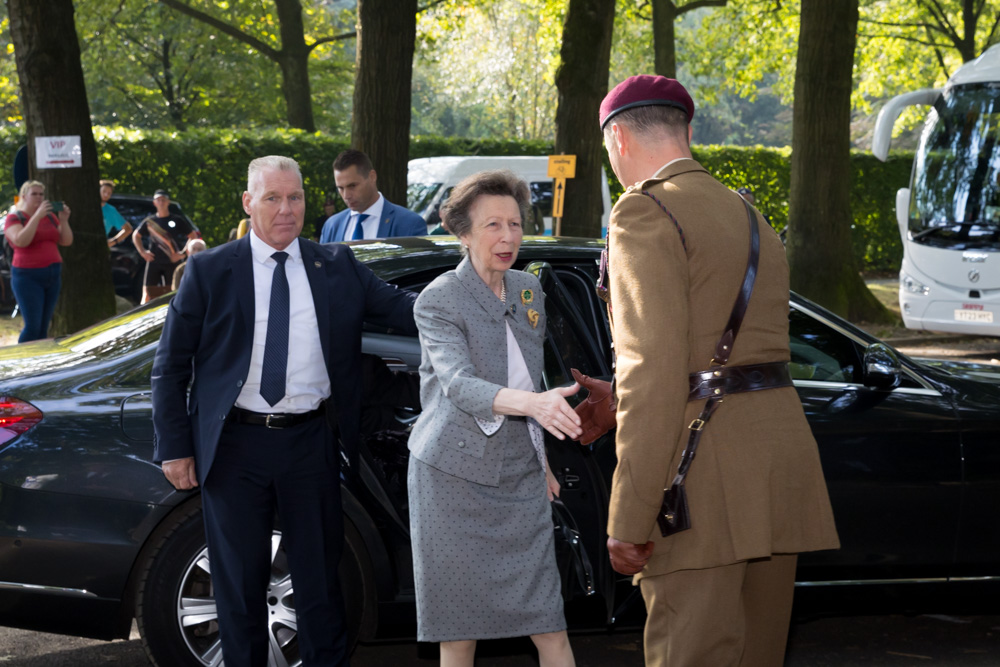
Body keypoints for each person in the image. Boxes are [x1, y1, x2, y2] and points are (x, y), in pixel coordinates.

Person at [597, 75, 839, 666]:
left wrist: (628, 518)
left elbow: (650, 374)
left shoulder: (644, 211)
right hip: (779, 466)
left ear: (620, 138)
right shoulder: (748, 213)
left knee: (691, 652)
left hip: (701, 477)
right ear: (687, 131)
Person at [151, 155, 417, 667]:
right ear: (249, 203)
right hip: (233, 447)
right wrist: (175, 447)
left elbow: (407, 310)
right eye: (272, 198)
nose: (285, 209)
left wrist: (478, 285)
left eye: (294, 198)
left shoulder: (336, 267)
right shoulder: (210, 271)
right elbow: (170, 366)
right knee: (238, 588)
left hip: (309, 444)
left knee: (320, 584)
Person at [407, 169, 581, 667]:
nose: (507, 237)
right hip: (451, 480)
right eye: (492, 226)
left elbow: (529, 380)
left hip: (520, 477)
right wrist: (537, 406)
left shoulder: (528, 289)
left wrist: (541, 460)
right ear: (462, 233)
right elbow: (458, 385)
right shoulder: (438, 299)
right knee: (459, 636)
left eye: (515, 224)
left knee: (551, 627)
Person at [3, 180, 73, 342]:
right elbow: (21, 241)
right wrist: (36, 217)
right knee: (32, 326)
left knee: (43, 326)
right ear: (24, 196)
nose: (39, 198)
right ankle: (22, 360)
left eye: (41, 194)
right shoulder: (15, 217)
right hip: (27, 276)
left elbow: (66, 241)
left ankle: (38, 362)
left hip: (52, 274)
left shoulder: (50, 217)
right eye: (34, 194)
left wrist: (63, 219)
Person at [319, 150, 427, 243]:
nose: (346, 195)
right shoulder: (332, 226)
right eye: (340, 188)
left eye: (352, 186)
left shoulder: (409, 224)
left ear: (372, 177)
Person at [131, 189, 198, 302]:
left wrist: (182, 254)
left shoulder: (177, 220)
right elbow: (136, 235)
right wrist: (143, 252)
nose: (161, 202)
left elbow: (193, 236)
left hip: (172, 262)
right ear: (154, 203)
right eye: (158, 200)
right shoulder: (150, 222)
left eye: (163, 200)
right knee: (147, 292)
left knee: (174, 291)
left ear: (168, 202)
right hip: (154, 261)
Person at [100, 179, 131, 247]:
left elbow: (128, 229)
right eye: (104, 191)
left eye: (109, 193)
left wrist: (113, 241)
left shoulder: (111, 211)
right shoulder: (86, 206)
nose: (106, 194)